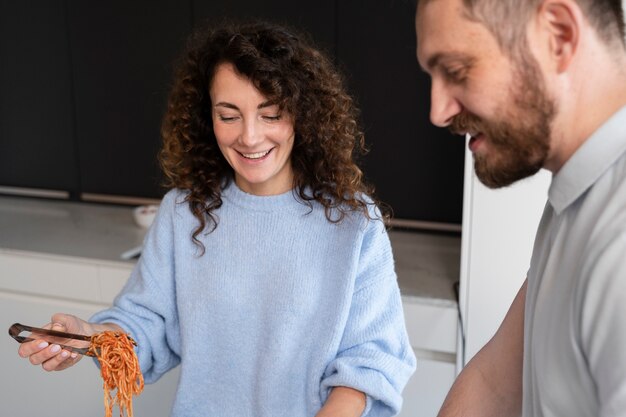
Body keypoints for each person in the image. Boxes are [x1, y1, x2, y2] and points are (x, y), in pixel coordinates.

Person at [17, 20, 416, 417]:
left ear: (302, 114)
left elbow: (370, 362)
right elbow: (146, 326)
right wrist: (88, 338)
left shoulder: (353, 223)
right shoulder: (184, 211)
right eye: (229, 116)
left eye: (270, 114)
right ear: (207, 119)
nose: (250, 136)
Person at [415, 0, 626, 416]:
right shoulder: (578, 197)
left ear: (558, 36)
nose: (438, 112)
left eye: (456, 71)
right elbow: (496, 384)